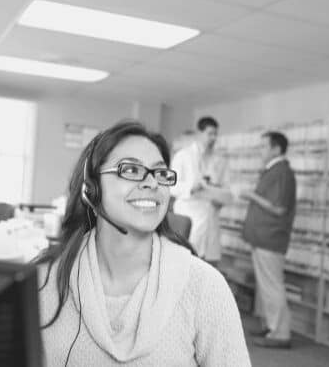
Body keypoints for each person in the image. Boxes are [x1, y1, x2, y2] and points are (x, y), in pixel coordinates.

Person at [35, 121, 251, 366]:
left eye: (160, 173)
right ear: (92, 188)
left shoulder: (205, 286)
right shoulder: (45, 280)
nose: (152, 183)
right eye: (130, 170)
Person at [241, 131, 296, 349]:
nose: (260, 150)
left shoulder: (282, 172)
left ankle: (280, 333)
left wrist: (250, 195)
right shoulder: (273, 170)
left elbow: (279, 208)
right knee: (266, 287)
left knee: (272, 286)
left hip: (270, 239)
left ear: (276, 149)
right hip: (262, 238)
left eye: (264, 146)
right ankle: (271, 326)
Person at [170, 116, 231, 267]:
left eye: (216, 134)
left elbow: (226, 189)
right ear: (199, 133)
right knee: (186, 264)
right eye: (210, 133)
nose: (213, 138)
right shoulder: (183, 156)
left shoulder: (219, 160)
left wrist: (220, 200)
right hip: (190, 216)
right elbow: (171, 186)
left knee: (209, 268)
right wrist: (191, 187)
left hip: (211, 218)